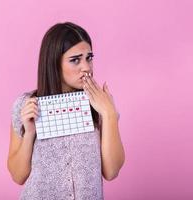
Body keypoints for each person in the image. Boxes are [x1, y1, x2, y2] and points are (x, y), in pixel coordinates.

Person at [7, 22, 125, 200]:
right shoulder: (25, 105)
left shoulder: (101, 104)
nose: (86, 67)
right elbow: (18, 176)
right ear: (54, 63)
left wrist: (109, 115)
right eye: (75, 60)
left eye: (89, 57)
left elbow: (111, 172)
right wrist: (29, 133)